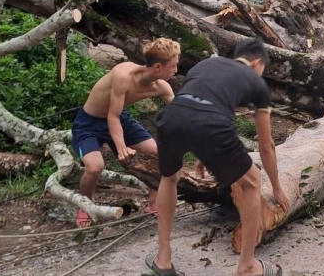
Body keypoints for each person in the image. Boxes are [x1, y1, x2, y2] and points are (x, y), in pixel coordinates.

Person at [147, 38, 289, 276]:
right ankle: (248, 266)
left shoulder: (206, 65)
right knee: (252, 180)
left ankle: (162, 260)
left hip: (172, 117)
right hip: (209, 124)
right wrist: (276, 188)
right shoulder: (258, 83)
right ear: (256, 64)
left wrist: (204, 154)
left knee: (169, 177)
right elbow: (266, 146)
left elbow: (200, 107)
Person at [72, 38, 180, 227]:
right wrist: (121, 148)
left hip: (120, 119)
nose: (176, 71)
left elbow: (182, 113)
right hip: (90, 122)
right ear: (157, 67)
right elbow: (111, 116)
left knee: (156, 152)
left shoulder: (161, 87)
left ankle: (154, 202)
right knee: (94, 167)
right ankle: (86, 205)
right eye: (173, 66)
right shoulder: (124, 74)